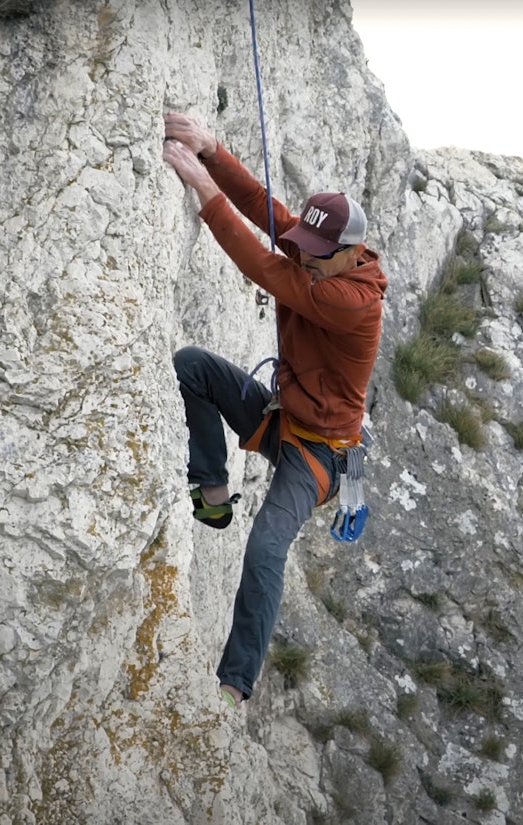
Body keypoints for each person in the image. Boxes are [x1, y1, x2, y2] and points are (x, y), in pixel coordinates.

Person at [161, 112, 387, 707]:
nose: (304, 257)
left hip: (319, 454)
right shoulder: (326, 256)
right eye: (306, 249)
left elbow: (263, 265)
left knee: (265, 550)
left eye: (316, 254)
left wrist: (205, 195)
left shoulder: (351, 301)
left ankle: (235, 684)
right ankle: (211, 493)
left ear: (349, 252)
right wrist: (212, 151)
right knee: (191, 367)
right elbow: (271, 213)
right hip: (282, 418)